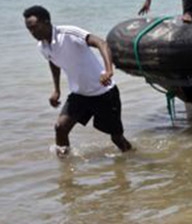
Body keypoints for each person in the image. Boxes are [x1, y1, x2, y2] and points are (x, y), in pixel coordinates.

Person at [24, 5, 132, 157]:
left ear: (46, 22)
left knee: (117, 139)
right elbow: (53, 62)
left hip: (104, 93)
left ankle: (132, 159)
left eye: (35, 27)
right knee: (60, 128)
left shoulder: (68, 33)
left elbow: (101, 43)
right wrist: (56, 90)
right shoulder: (42, 47)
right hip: (79, 95)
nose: (32, 32)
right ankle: (65, 166)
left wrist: (108, 71)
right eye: (29, 29)